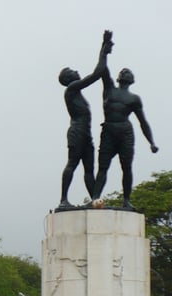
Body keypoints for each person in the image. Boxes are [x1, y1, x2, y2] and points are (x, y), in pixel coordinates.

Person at [91, 60, 159, 209]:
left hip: (125, 132)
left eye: (128, 72)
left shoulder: (134, 99)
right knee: (103, 167)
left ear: (132, 80)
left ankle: (126, 199)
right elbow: (103, 68)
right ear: (118, 77)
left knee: (126, 167)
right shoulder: (109, 89)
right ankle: (95, 198)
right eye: (123, 72)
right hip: (109, 130)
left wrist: (151, 142)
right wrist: (105, 47)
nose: (125, 72)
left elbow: (143, 122)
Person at [58, 31, 114, 209]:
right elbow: (96, 74)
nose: (76, 71)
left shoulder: (77, 94)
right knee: (72, 163)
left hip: (85, 133)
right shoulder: (72, 89)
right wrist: (103, 52)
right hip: (76, 132)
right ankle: (63, 200)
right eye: (72, 71)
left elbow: (98, 73)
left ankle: (94, 199)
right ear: (68, 79)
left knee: (89, 169)